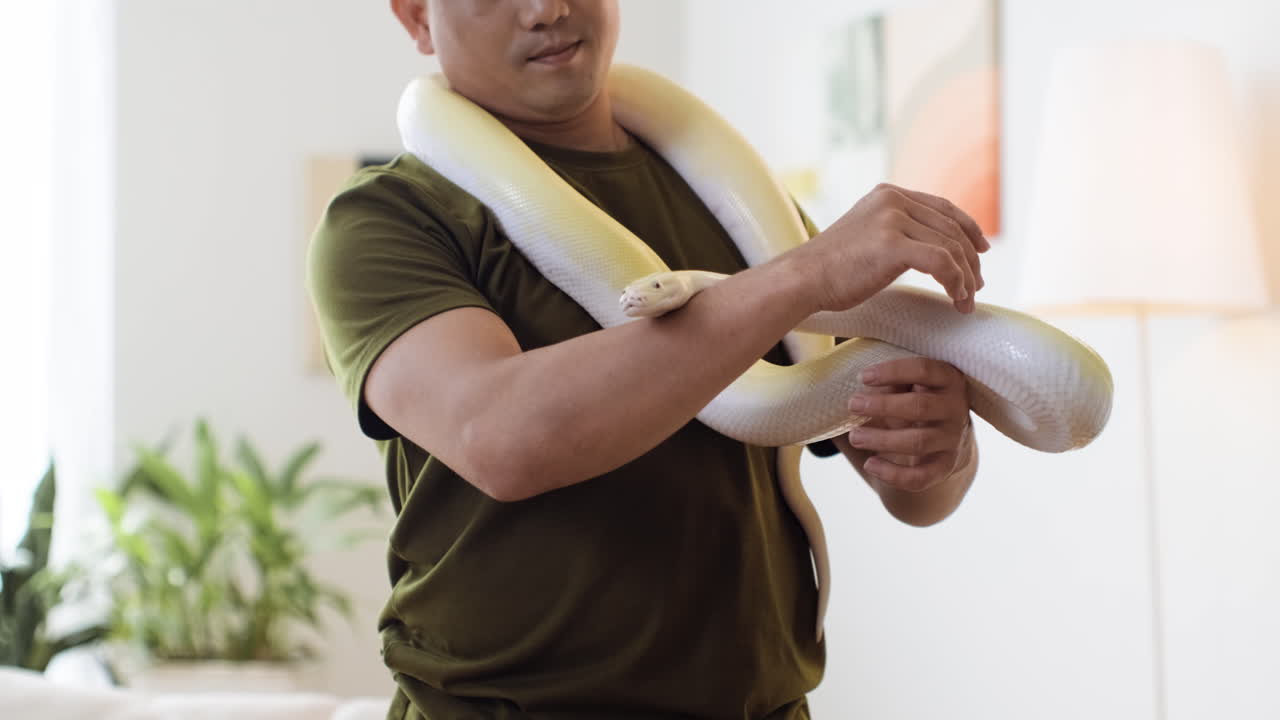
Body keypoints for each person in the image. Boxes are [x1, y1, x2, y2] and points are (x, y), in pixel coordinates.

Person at [306, 1, 988, 717]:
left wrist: (942, 449)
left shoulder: (736, 203)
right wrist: (803, 275)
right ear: (416, 18)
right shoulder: (388, 218)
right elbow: (500, 437)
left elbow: (911, 488)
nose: (547, 9)